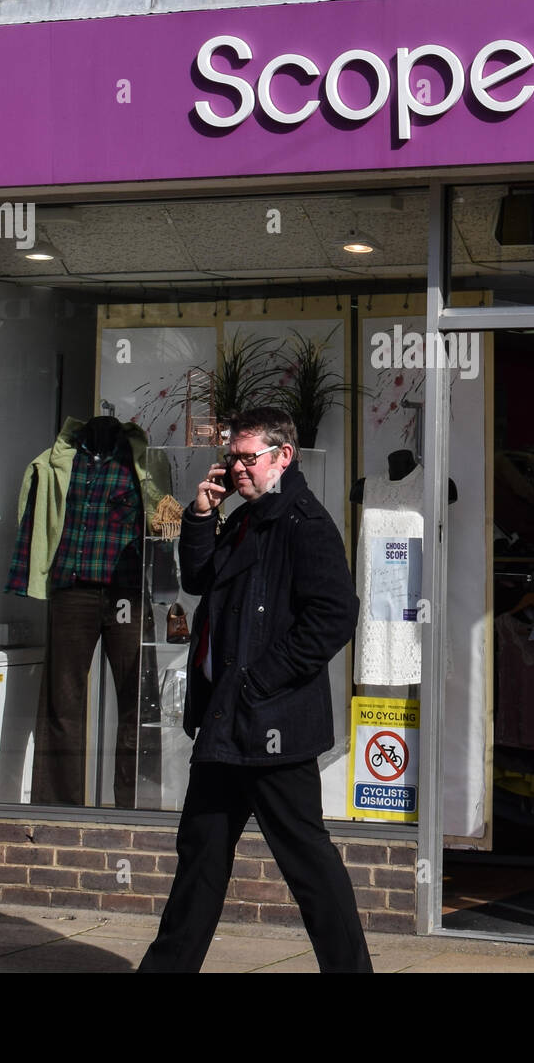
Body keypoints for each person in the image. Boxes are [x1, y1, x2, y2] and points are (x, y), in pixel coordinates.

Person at [138, 407, 372, 973]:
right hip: (226, 723)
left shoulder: (304, 524)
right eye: (233, 458)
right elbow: (198, 580)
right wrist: (200, 515)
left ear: (282, 456)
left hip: (272, 727)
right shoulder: (245, 518)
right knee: (200, 859)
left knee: (307, 864)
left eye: (249, 458)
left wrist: (260, 680)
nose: (238, 468)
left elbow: (336, 615)